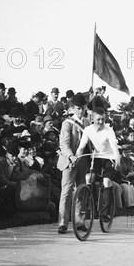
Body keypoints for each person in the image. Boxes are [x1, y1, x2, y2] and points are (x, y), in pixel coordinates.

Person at [75, 107, 120, 223]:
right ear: (92, 119)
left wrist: (118, 160)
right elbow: (81, 146)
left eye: (103, 120)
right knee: (89, 178)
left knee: (106, 181)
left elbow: (115, 148)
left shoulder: (109, 130)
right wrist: (76, 157)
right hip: (96, 157)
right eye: (98, 119)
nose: (101, 122)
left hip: (108, 157)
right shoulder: (88, 130)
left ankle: (105, 213)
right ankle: (91, 206)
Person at [57, 94, 90, 234]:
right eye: (78, 108)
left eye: (83, 108)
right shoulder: (67, 123)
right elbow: (64, 144)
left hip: (83, 161)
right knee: (66, 191)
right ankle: (62, 223)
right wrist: (71, 156)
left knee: (81, 191)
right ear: (72, 108)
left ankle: (79, 221)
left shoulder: (88, 123)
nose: (81, 111)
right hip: (69, 160)